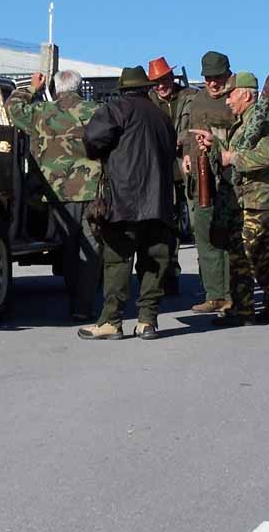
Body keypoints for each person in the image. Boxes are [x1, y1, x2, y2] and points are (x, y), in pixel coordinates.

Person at [78, 66, 176, 341]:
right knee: (154, 262)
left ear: (123, 89)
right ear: (145, 88)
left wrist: (101, 152)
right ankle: (147, 321)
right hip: (159, 203)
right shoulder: (161, 116)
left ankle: (111, 321)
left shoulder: (116, 109)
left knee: (117, 261)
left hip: (124, 201)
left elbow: (92, 138)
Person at [6, 70, 102, 321]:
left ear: (57, 88)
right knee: (91, 246)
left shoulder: (41, 112)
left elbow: (12, 108)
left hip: (56, 192)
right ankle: (84, 305)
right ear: (79, 87)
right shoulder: (95, 111)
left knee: (68, 247)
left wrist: (32, 88)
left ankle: (75, 299)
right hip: (91, 188)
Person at [196, 71, 269, 325]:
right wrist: (215, 145)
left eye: (231, 95)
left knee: (242, 257)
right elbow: (234, 152)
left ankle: (244, 311)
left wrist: (231, 157)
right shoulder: (245, 123)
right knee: (262, 257)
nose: (227, 101)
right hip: (256, 200)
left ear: (245, 95)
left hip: (255, 201)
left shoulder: (261, 121)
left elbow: (264, 156)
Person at [179, 51, 235, 314]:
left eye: (218, 77)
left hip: (228, 180)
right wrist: (186, 155)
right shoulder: (198, 99)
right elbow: (190, 132)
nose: (213, 83)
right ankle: (214, 295)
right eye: (208, 78)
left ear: (228, 74)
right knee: (205, 238)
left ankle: (232, 295)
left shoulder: (235, 99)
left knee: (228, 240)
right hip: (200, 180)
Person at [147, 56, 197, 297]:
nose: (161, 86)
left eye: (164, 80)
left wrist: (182, 139)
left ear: (171, 77)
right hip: (161, 174)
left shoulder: (191, 97)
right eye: (156, 82)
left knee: (200, 226)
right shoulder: (147, 102)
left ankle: (213, 286)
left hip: (189, 170)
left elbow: (200, 126)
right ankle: (170, 277)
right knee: (168, 228)